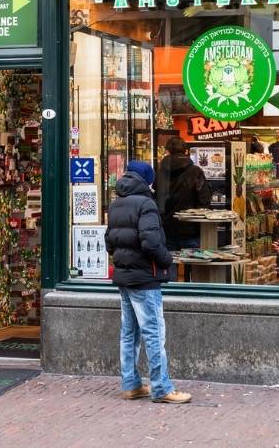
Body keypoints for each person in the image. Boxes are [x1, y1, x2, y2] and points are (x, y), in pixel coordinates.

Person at [105, 160, 192, 404]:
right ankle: (161, 387)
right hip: (145, 277)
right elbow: (151, 242)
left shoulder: (116, 204)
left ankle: (131, 384)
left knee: (129, 332)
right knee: (154, 333)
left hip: (124, 275)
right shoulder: (146, 204)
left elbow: (109, 242)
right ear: (147, 181)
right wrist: (167, 261)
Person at [154, 137, 211, 250]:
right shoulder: (195, 171)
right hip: (190, 228)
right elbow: (204, 200)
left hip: (166, 228)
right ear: (186, 151)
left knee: (169, 263)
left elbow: (156, 197)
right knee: (195, 265)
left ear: (167, 152)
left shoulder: (160, 172)